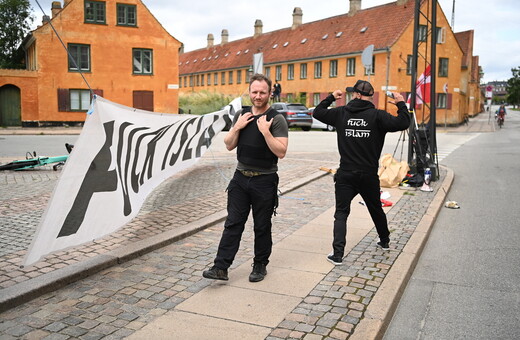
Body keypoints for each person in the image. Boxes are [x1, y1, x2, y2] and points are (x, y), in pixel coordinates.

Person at [313, 80, 411, 265]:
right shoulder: (377, 116)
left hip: (346, 174)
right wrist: (400, 103)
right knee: (375, 208)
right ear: (370, 96)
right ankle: (384, 241)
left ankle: (337, 254)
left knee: (341, 213)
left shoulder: (341, 114)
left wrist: (331, 98)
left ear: (357, 95)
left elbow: (317, 112)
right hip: (368, 175)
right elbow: (403, 122)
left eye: (353, 93)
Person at [202, 74, 289, 282]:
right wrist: (237, 126)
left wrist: (266, 133)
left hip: (264, 180)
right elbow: (229, 144)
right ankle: (220, 267)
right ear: (249, 92)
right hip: (240, 179)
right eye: (254, 92)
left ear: (270, 94)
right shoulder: (242, 115)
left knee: (261, 225)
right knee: (233, 223)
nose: (258, 96)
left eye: (262, 92)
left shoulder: (276, 119)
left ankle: (260, 265)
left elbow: (281, 152)